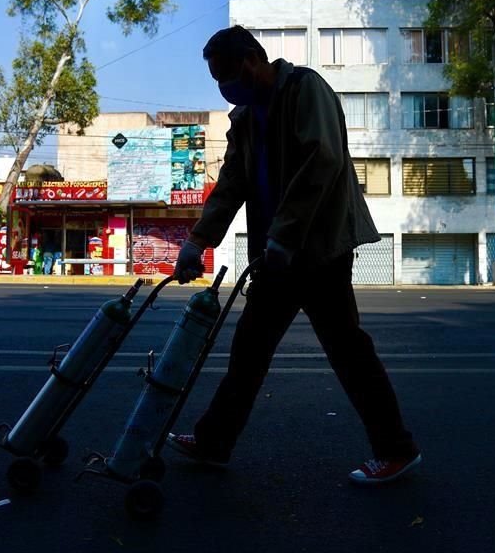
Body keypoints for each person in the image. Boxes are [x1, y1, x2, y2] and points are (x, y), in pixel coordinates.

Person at [169, 25, 421, 485]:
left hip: (319, 249)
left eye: (224, 77)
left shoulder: (306, 89)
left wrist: (283, 237)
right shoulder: (246, 117)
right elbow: (232, 185)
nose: (223, 90)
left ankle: (397, 450)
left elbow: (321, 161)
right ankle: (213, 442)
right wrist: (197, 241)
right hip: (279, 256)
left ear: (249, 61)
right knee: (249, 350)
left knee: (347, 351)